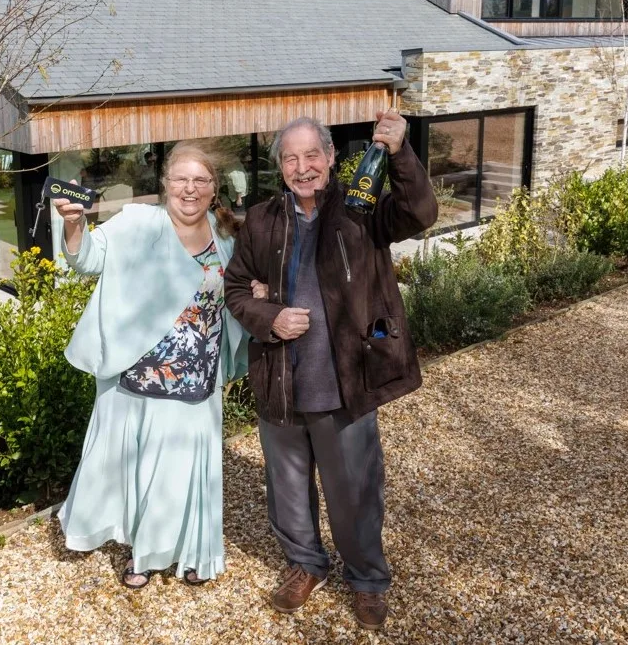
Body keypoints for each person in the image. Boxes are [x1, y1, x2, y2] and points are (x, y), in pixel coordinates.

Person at [223, 112, 437, 631]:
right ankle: (306, 564)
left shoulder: (361, 208)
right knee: (288, 487)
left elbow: (421, 211)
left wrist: (400, 150)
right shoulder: (261, 220)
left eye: (312, 155)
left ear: (331, 157)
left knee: (356, 491)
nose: (302, 168)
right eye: (291, 158)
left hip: (345, 381)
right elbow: (234, 289)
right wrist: (270, 317)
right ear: (280, 166)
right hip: (281, 379)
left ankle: (366, 579)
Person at [53, 142, 248, 588]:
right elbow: (88, 259)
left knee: (188, 473)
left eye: (200, 180)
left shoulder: (228, 239)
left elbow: (238, 297)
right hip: (138, 382)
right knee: (142, 471)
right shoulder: (139, 224)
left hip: (198, 386)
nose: (190, 189)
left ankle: (197, 552)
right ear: (165, 184)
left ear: (214, 188)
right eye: (181, 179)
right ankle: (142, 556)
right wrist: (74, 224)